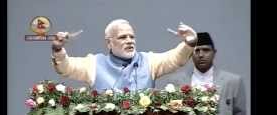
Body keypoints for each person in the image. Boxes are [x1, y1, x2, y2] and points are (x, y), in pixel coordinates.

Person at [51, 19, 198, 92]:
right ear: (109, 43)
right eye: (123, 37)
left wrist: (190, 43)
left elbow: (175, 59)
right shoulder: (94, 64)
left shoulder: (149, 61)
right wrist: (58, 50)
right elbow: (67, 67)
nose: (129, 41)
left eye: (132, 37)